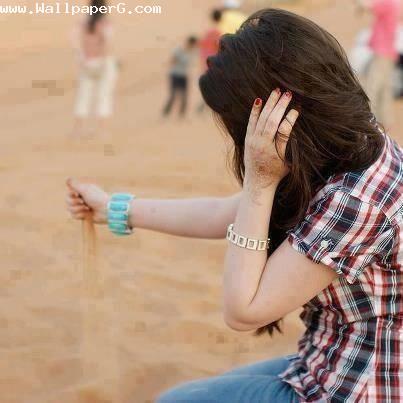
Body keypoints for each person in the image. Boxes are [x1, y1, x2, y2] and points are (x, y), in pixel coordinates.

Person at [66, 9, 403, 402]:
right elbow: (226, 214)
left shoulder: (354, 200)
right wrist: (114, 209)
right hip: (326, 358)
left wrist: (261, 181)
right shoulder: (349, 144)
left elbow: (244, 310)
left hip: (359, 386)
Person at [72, 0, 118, 138]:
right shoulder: (106, 24)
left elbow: (75, 43)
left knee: (83, 96)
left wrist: (82, 59)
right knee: (104, 96)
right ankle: (103, 131)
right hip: (103, 63)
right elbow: (108, 45)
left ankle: (78, 130)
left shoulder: (82, 24)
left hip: (87, 63)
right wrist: (104, 62)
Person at [355, 0, 401, 128]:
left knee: (372, 86)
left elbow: (367, 5)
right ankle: (385, 120)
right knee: (385, 89)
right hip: (388, 51)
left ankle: (367, 121)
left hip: (382, 51)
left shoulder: (388, 3)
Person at [162, 36, 198, 117]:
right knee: (173, 95)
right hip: (175, 75)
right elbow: (172, 60)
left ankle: (182, 115)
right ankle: (165, 113)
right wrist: (176, 61)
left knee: (184, 96)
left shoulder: (193, 52)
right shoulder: (179, 50)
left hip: (184, 76)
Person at [198, 9, 222, 112]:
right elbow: (219, 47)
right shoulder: (217, 32)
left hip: (205, 62)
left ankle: (204, 106)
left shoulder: (207, 32)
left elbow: (202, 46)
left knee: (209, 85)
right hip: (214, 63)